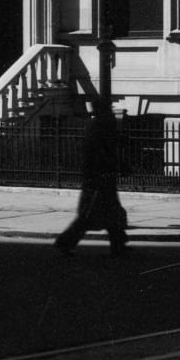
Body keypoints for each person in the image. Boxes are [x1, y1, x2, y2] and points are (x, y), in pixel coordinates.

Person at [54, 98, 129, 256]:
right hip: (98, 178)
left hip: (99, 176)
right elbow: (103, 152)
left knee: (111, 213)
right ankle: (65, 241)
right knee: (91, 215)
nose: (111, 110)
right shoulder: (99, 126)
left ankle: (118, 244)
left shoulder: (98, 125)